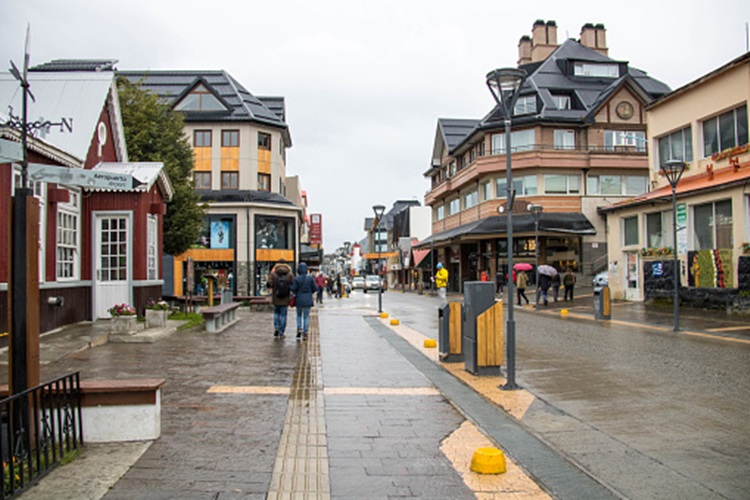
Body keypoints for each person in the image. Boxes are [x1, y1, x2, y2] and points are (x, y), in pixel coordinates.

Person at [290, 262, 318, 340]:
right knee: (306, 316)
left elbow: (293, 288)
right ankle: (305, 332)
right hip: (308, 299)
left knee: (299, 315)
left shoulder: (297, 279)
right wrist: (309, 293)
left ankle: (299, 328)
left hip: (299, 299)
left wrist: (297, 293)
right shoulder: (310, 278)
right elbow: (315, 288)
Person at [267, 259, 293, 338]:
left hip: (276, 297)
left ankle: (276, 327)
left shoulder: (273, 274)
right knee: (283, 315)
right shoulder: (289, 274)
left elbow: (269, 284)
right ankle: (282, 331)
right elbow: (293, 285)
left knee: (276, 313)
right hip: (285, 298)